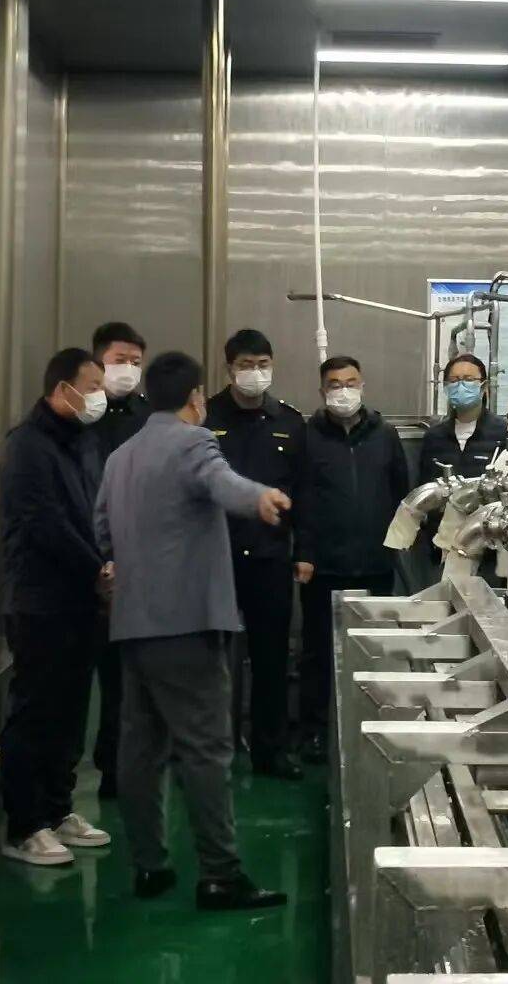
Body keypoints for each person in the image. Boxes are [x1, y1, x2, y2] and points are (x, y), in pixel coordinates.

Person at [95, 350, 291, 911]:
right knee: (205, 750)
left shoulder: (121, 457)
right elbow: (221, 482)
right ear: (196, 398)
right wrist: (260, 498)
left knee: (141, 750)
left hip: (133, 624)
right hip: (187, 626)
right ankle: (220, 874)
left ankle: (149, 865)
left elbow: (102, 529)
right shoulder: (193, 442)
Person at [0, 347, 113, 867]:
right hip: (40, 600)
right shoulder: (26, 445)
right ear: (61, 388)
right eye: (92, 386)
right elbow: (45, 522)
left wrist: (105, 561)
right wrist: (97, 567)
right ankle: (25, 825)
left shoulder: (83, 442)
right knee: (36, 712)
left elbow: (92, 512)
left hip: (81, 600)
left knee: (70, 712)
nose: (99, 396)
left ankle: (58, 808)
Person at [206, 328, 313, 781]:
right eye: (246, 365)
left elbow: (304, 492)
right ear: (229, 369)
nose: (255, 373)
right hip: (217, 558)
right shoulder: (206, 417)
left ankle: (271, 751)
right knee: (211, 660)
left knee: (272, 659)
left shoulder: (289, 421)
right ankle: (210, 751)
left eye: (262, 364)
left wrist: (303, 551)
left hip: (270, 558)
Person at [299, 355, 409, 764]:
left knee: (373, 652)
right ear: (322, 390)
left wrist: (395, 547)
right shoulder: (308, 436)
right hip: (324, 566)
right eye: (334, 384)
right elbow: (302, 498)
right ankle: (314, 733)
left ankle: (372, 728)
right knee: (318, 655)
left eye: (350, 383)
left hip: (375, 564)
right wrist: (304, 553)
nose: (343, 391)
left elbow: (401, 493)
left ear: (363, 385)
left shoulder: (385, 435)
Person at [89, 321, 151, 800]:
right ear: (98, 362)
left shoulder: (149, 419)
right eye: (118, 360)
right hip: (82, 561)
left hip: (135, 566)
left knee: (126, 680)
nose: (127, 369)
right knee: (74, 681)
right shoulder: (80, 417)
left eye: (135, 361)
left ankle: (119, 770)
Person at [417, 354, 508, 486]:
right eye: (454, 380)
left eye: (468, 379)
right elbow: (424, 486)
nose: (461, 386)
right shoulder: (434, 437)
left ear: (483, 387)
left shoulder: (503, 433)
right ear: (446, 387)